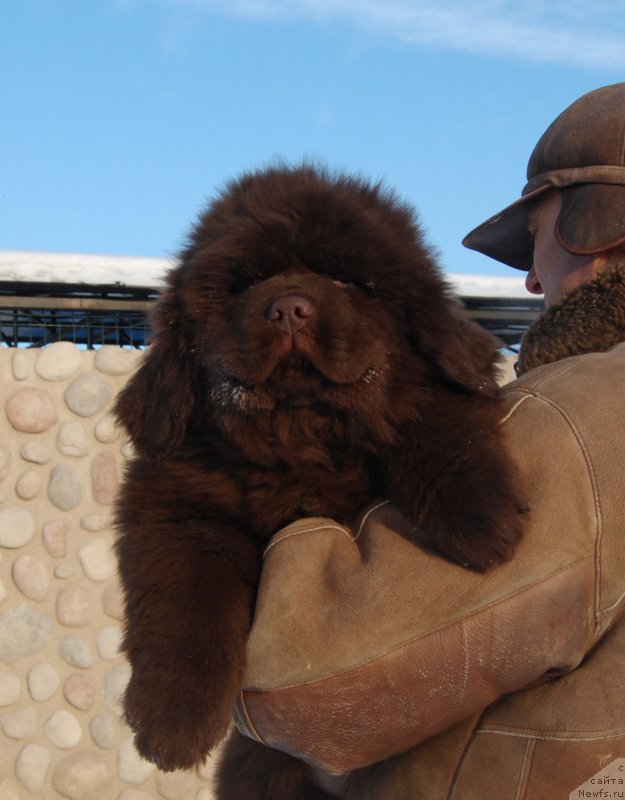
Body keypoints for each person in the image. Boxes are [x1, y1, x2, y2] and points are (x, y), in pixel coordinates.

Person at [234, 83, 625, 799]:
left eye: (535, 238)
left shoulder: (585, 413)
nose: (533, 278)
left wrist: (286, 504)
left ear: (599, 230)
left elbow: (296, 682)